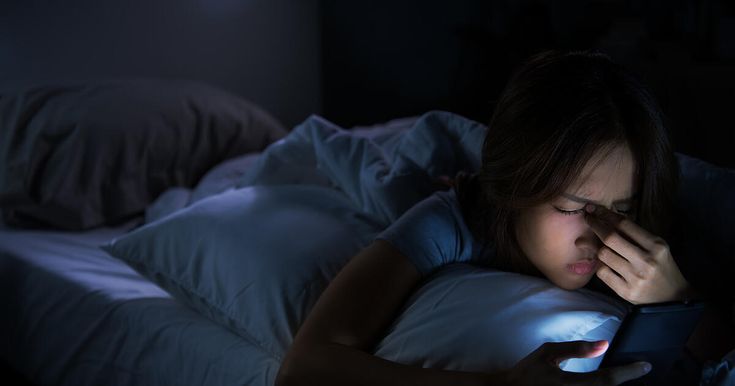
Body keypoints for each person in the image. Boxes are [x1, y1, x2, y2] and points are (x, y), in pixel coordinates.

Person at [275, 50, 696, 386]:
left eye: (622, 209)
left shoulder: (647, 233)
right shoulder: (452, 221)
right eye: (570, 208)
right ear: (514, 192)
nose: (601, 236)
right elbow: (305, 367)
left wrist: (678, 299)